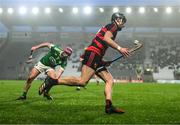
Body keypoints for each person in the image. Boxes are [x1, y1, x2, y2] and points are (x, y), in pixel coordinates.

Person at [40, 12, 130, 114]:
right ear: (118, 20)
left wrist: (103, 62)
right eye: (123, 22)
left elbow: (101, 41)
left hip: (96, 55)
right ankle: (53, 81)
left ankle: (109, 106)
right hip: (93, 53)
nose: (124, 24)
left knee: (109, 80)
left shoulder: (109, 27)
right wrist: (120, 48)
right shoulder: (113, 26)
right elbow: (106, 39)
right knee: (82, 82)